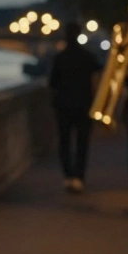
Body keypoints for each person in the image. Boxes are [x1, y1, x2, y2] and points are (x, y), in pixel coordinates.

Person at [48, 22, 101, 194]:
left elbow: (52, 83)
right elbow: (98, 78)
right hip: (84, 105)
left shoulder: (60, 57)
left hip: (63, 106)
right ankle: (79, 177)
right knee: (82, 142)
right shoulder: (88, 57)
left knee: (64, 142)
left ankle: (68, 176)